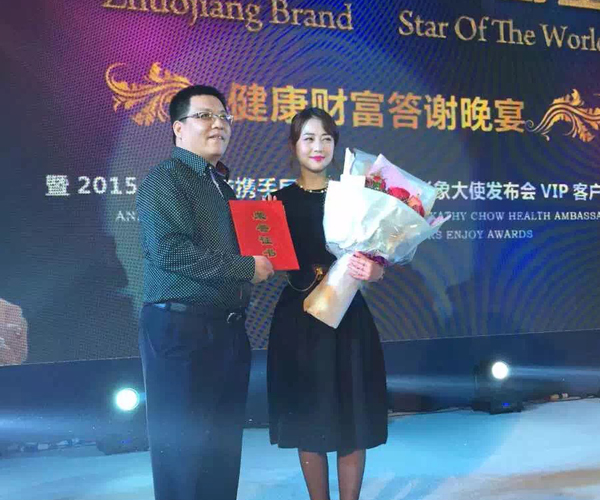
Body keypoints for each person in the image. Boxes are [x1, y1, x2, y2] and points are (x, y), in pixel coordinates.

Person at [136, 85, 274, 500]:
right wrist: (246, 267)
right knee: (184, 454)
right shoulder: (165, 178)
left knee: (221, 450)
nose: (218, 125)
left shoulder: (222, 186)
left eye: (224, 117)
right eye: (205, 116)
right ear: (178, 128)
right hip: (182, 329)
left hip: (226, 330)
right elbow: (169, 251)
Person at [266, 108, 388, 500]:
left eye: (326, 139)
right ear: (293, 146)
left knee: (352, 420)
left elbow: (378, 261)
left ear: (335, 145)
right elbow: (264, 263)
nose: (318, 147)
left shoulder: (354, 197)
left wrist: (374, 270)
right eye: (308, 138)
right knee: (309, 419)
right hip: (299, 320)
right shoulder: (276, 203)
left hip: (347, 317)